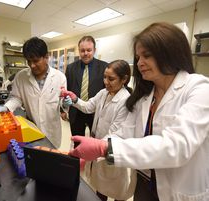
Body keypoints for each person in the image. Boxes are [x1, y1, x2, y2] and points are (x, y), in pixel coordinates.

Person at [69, 22, 209, 201]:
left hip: (178, 190)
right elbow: (123, 133)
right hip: (144, 183)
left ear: (170, 53)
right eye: (138, 57)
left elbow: (177, 146)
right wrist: (95, 150)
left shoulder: (199, 88)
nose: (140, 63)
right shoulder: (144, 97)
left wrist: (104, 148)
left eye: (147, 56)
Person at [62, 60, 136, 201]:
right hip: (100, 146)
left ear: (124, 79)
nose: (106, 82)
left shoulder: (125, 101)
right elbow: (89, 107)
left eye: (111, 79)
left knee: (115, 188)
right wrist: (75, 99)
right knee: (100, 185)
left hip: (112, 149)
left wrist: (93, 149)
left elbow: (115, 133)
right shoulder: (104, 93)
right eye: (104, 77)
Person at [1, 37, 67, 148]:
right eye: (29, 61)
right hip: (31, 129)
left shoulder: (59, 77)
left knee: (52, 159)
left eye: (35, 61)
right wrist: (7, 107)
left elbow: (62, 102)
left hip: (52, 132)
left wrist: (65, 104)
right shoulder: (21, 76)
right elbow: (16, 98)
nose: (32, 65)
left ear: (46, 57)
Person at [63, 35, 108, 146]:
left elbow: (107, 90)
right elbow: (66, 89)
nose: (86, 53)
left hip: (95, 112)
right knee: (78, 143)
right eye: (82, 50)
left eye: (89, 50)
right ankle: (79, 162)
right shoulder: (70, 68)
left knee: (96, 143)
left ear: (94, 50)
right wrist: (63, 109)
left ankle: (92, 163)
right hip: (76, 111)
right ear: (79, 51)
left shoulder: (105, 67)